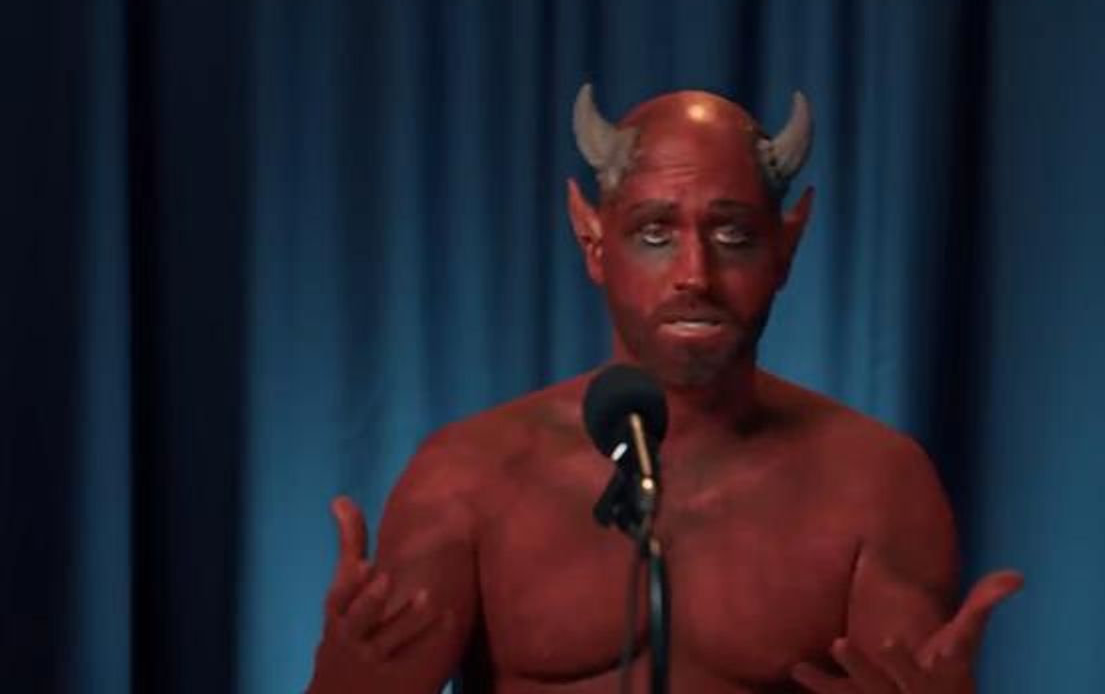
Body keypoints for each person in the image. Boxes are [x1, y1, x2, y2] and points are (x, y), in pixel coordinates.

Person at [306, 84, 1023, 694]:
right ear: (593, 241)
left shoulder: (877, 486)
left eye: (733, 235)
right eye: (654, 233)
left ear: (787, 246)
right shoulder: (468, 479)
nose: (694, 275)